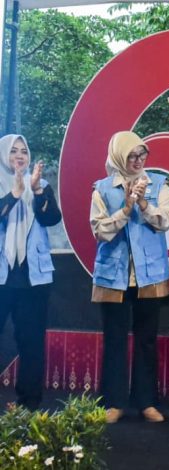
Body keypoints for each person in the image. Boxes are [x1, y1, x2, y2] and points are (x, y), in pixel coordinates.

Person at [90, 131, 169, 424]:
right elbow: (100, 231)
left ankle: (146, 402)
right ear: (118, 157)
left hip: (149, 275)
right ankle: (114, 403)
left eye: (142, 155)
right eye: (132, 156)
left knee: (147, 340)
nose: (138, 161)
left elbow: (166, 221)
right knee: (114, 339)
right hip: (113, 276)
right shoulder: (102, 189)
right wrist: (125, 209)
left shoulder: (159, 185)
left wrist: (142, 205)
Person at [0, 134, 61, 410]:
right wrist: (14, 193)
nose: (20, 156)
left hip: (33, 278)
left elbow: (51, 218)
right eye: (13, 151)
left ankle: (29, 404)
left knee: (32, 344)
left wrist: (35, 190)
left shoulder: (42, 185)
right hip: (2, 277)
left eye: (24, 151)